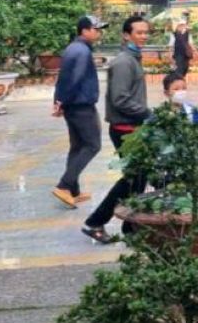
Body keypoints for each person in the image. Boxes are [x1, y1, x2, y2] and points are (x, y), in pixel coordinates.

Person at [82, 16, 152, 243]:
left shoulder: (133, 58)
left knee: (138, 178)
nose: (144, 36)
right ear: (126, 35)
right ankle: (95, 222)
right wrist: (147, 113)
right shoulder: (124, 62)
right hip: (125, 129)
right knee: (133, 178)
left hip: (133, 126)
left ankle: (131, 226)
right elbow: (120, 99)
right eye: (139, 32)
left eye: (146, 32)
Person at [52, 15, 108, 208]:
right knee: (92, 145)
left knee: (77, 146)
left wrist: (59, 101)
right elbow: (74, 79)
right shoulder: (82, 51)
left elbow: (62, 78)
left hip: (72, 105)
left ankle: (73, 190)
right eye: (96, 29)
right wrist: (63, 101)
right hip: (81, 106)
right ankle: (64, 185)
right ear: (84, 30)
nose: (99, 33)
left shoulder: (72, 48)